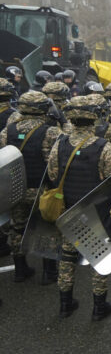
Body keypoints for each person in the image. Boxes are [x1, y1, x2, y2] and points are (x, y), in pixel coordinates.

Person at [47, 95, 111, 320]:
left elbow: (52, 174)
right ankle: (99, 307)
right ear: (94, 118)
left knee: (67, 257)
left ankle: (65, 304)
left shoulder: (59, 143)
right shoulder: (103, 146)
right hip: (96, 212)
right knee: (99, 257)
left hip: (69, 210)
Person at [0, 91, 63, 282]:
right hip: (41, 190)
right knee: (47, 227)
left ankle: (20, 269)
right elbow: (56, 164)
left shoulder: (7, 130)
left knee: (17, 228)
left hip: (16, 188)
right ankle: (49, 273)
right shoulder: (52, 131)